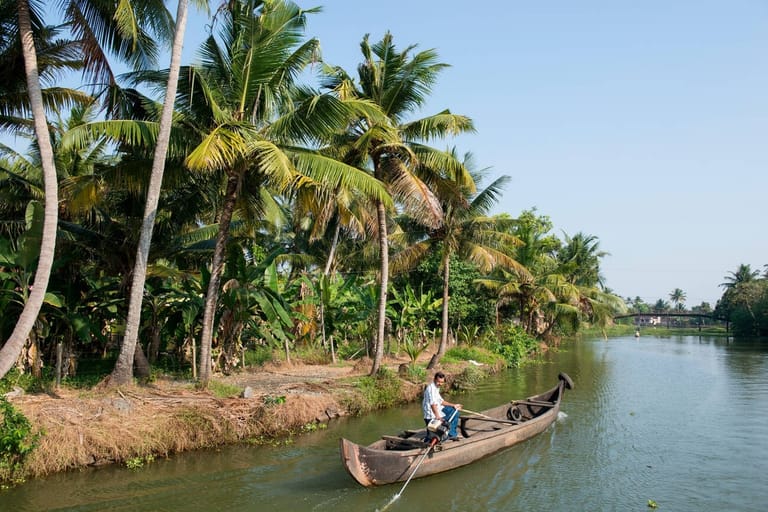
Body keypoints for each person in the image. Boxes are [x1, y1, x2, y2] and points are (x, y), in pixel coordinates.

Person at [422, 371, 462, 441]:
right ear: (434, 379)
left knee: (455, 412)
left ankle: (451, 434)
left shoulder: (436, 387)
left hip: (439, 409)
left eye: (442, 382)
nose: (440, 384)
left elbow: (441, 401)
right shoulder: (431, 389)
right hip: (431, 414)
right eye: (438, 382)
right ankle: (430, 438)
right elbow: (433, 404)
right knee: (432, 436)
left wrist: (454, 405)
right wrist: (438, 417)